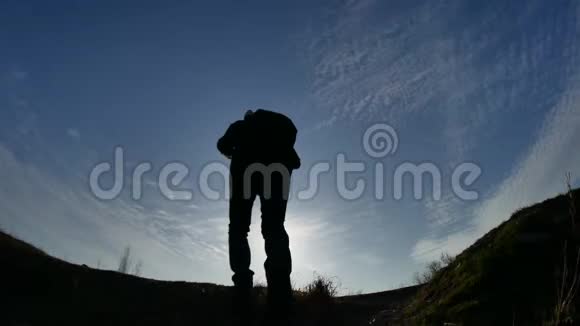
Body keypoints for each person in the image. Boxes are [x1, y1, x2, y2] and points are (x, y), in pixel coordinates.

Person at [218, 109, 300, 322]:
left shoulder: (240, 126)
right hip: (280, 171)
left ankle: (243, 288)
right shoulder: (279, 135)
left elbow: (222, 145)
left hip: (244, 170)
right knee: (274, 228)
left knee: (238, 227)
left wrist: (234, 151)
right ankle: (280, 293)